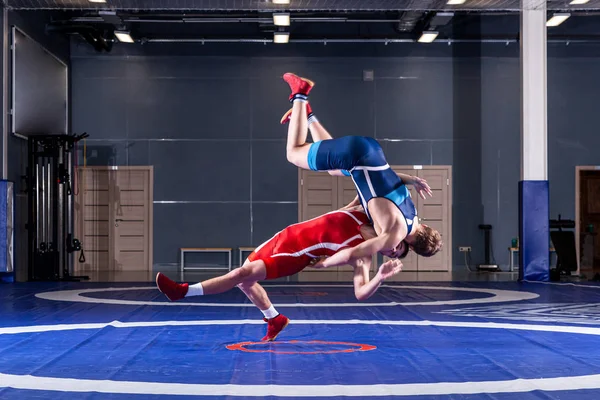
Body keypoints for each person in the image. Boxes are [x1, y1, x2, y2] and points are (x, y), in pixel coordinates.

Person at [156, 206, 403, 342]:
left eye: (394, 253)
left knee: (243, 273)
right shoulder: (362, 209)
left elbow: (360, 292)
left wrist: (379, 277)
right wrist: (410, 180)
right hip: (285, 236)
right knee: (246, 283)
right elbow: (366, 175)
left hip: (295, 255)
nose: (392, 249)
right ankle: (274, 318)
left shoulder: (363, 256)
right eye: (397, 244)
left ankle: (183, 292)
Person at [280, 72, 442, 270]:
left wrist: (412, 180)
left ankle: (308, 114)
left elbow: (383, 183)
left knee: (334, 170)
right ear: (413, 248)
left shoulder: (412, 212)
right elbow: (355, 252)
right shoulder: (392, 236)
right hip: (356, 157)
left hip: (371, 152)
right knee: (293, 153)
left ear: (425, 227)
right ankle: (300, 94)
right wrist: (324, 264)